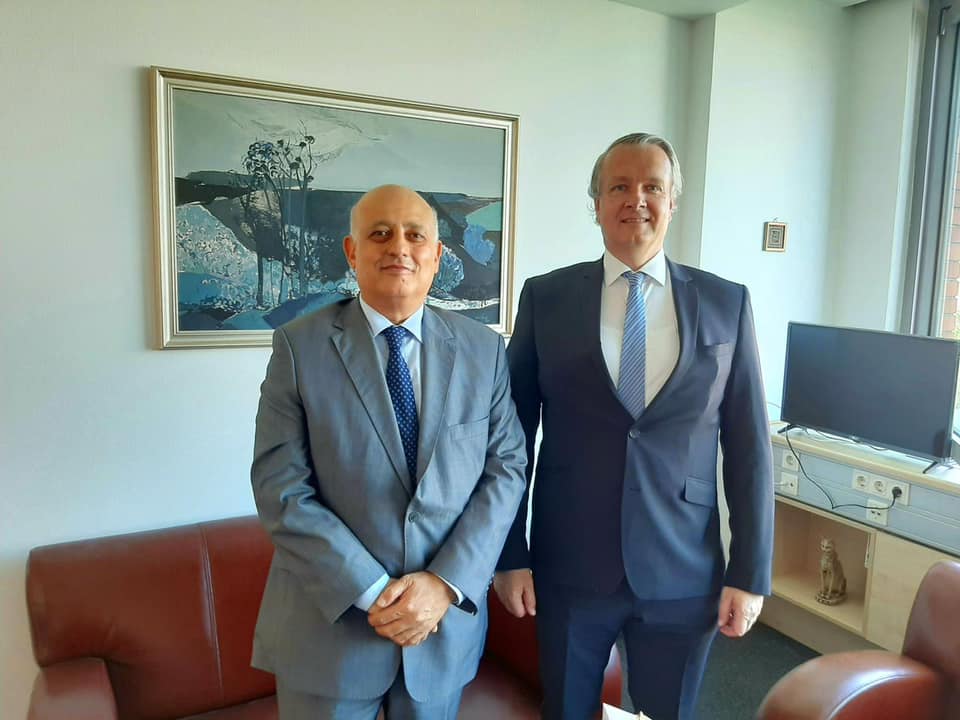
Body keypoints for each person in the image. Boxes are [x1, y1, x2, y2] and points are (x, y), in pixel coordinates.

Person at [494, 133, 774, 720]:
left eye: (652, 186)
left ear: (673, 202)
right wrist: (509, 552)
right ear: (596, 203)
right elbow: (510, 438)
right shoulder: (546, 298)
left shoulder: (727, 303)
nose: (636, 199)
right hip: (570, 565)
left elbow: (749, 447)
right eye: (619, 186)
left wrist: (750, 571)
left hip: (684, 568)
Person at [251, 184, 526, 720]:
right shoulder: (298, 348)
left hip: (441, 631)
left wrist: (443, 585)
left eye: (414, 235)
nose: (398, 246)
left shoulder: (484, 349)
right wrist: (376, 591)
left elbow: (506, 469)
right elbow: (281, 488)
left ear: (437, 255)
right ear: (352, 252)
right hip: (330, 635)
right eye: (380, 234)